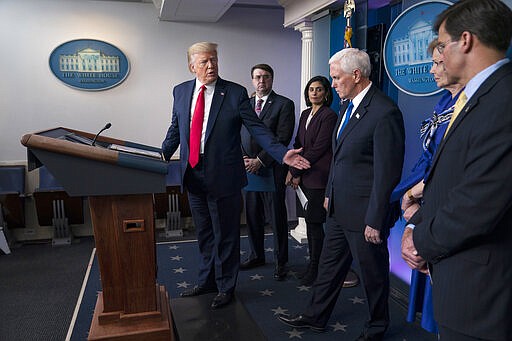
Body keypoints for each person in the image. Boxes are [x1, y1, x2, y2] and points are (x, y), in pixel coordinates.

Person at [161, 42, 310, 310]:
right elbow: (176, 127)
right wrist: (161, 154)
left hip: (224, 174)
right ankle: (206, 280)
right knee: (204, 233)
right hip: (193, 172)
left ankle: (226, 286)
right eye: (205, 61)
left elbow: (257, 128)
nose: (211, 66)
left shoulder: (234, 93)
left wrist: (281, 153)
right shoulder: (181, 91)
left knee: (225, 234)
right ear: (192, 66)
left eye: (214, 60)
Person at [401, 0, 512, 339]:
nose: (438, 54)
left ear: (464, 41)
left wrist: (419, 239)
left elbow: (479, 201)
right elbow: (451, 179)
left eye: (441, 42)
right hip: (459, 277)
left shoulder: (503, 100)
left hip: (481, 294)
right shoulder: (475, 97)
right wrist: (417, 220)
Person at [278, 48, 405, 340]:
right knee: (329, 268)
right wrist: (329, 194)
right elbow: (339, 158)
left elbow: (388, 173)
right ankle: (315, 317)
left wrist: (376, 218)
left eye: (336, 78)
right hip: (337, 207)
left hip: (365, 216)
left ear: (356, 75)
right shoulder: (349, 107)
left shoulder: (385, 111)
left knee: (373, 275)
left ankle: (376, 326)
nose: (333, 84)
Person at [391, 38, 464, 334]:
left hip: (444, 209)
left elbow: (447, 168)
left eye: (437, 63)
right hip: (425, 201)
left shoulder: (470, 106)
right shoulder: (444, 100)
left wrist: (412, 195)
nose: (432, 70)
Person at [240, 64, 295, 281]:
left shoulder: (284, 104)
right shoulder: (245, 105)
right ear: (252, 80)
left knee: (277, 218)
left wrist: (260, 161)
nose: (261, 81)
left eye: (265, 77)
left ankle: (281, 261)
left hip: (271, 169)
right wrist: (245, 159)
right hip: (248, 169)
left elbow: (282, 138)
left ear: (272, 79)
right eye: (257, 77)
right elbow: (238, 134)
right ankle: (257, 255)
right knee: (252, 216)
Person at [285, 75, 337, 286]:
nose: (314, 93)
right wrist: (293, 168)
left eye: (319, 89)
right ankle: (312, 266)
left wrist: (295, 172)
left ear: (326, 93)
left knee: (316, 225)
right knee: (310, 224)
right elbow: (298, 144)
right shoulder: (306, 113)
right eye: (311, 89)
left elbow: (319, 149)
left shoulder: (329, 115)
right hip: (304, 176)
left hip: (318, 177)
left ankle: (317, 269)